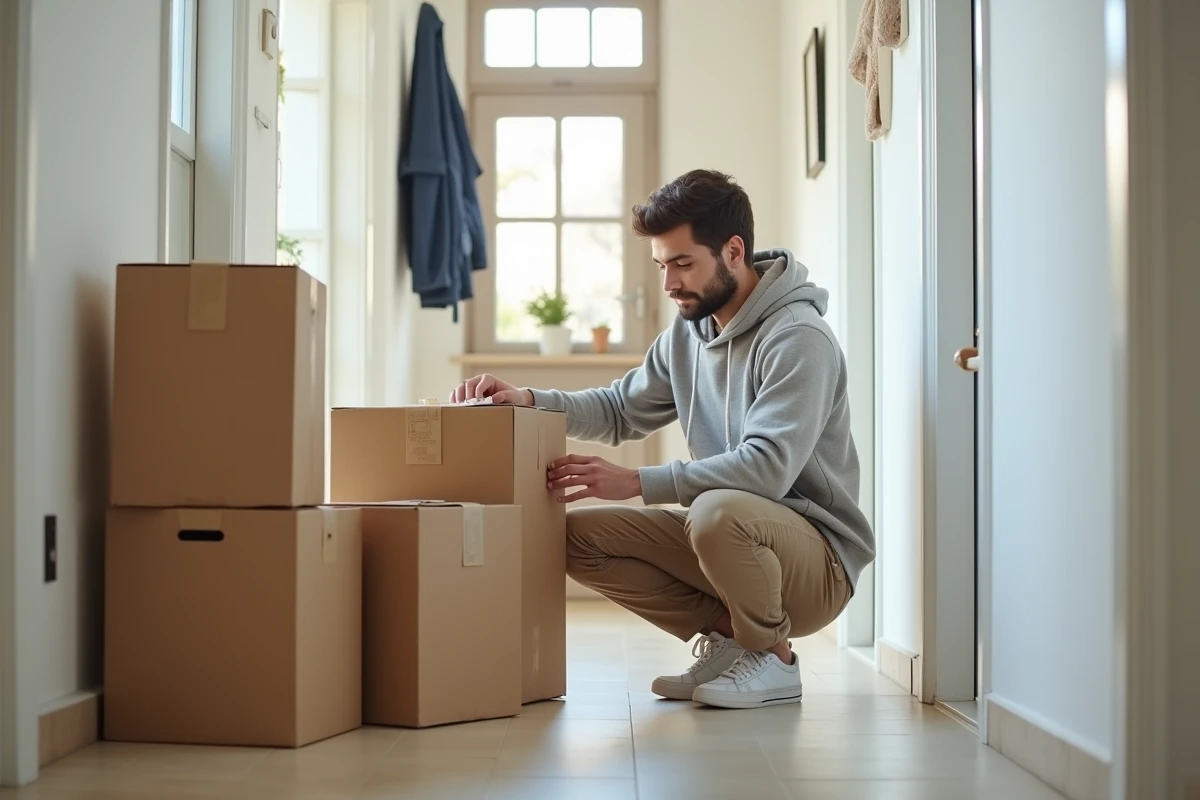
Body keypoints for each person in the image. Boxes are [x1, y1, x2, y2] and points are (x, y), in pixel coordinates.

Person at [451, 169, 875, 710]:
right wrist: (529, 399)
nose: (669, 282)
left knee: (715, 511)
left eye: (682, 263)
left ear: (734, 251)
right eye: (661, 266)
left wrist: (634, 482)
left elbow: (767, 469)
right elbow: (620, 410)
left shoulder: (798, 337)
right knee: (573, 537)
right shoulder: (689, 331)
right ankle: (735, 639)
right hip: (736, 537)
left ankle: (775, 660)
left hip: (817, 562)